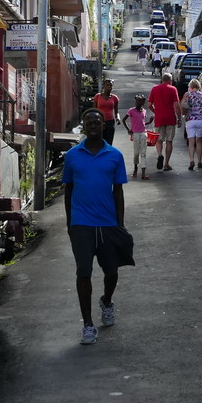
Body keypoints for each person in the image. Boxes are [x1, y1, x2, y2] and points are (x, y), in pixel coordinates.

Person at [63, 109, 131, 346]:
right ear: (84, 126)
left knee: (111, 271)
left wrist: (120, 224)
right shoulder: (72, 156)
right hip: (81, 224)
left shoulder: (115, 155)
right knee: (83, 272)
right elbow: (68, 189)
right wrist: (70, 222)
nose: (93, 126)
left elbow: (118, 190)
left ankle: (107, 301)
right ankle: (88, 325)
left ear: (104, 125)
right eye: (89, 122)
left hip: (108, 223)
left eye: (97, 122)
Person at [147, 72, 181, 172]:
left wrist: (155, 111)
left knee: (159, 140)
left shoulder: (155, 89)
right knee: (169, 141)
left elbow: (149, 104)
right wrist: (179, 118)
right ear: (170, 81)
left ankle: (160, 155)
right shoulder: (173, 89)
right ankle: (166, 164)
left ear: (162, 79)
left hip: (159, 118)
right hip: (170, 118)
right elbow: (177, 105)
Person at [124, 95, 153, 180]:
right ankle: (135, 168)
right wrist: (129, 130)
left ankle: (143, 173)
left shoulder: (144, 111)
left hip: (143, 133)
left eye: (139, 101)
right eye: (136, 101)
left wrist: (150, 122)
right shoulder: (131, 111)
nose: (137, 102)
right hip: (135, 134)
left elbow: (142, 123)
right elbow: (124, 120)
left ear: (142, 103)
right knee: (136, 153)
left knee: (143, 153)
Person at [182, 78, 202, 169]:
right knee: (199, 141)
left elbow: (183, 105)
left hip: (190, 119)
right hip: (200, 119)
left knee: (191, 142)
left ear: (191, 86)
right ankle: (199, 161)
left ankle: (191, 160)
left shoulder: (187, 94)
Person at [92, 79, 121, 146]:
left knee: (108, 143)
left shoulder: (114, 98)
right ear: (103, 86)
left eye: (110, 85)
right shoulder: (98, 96)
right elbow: (94, 110)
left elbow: (116, 112)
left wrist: (118, 118)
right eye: (107, 85)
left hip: (110, 123)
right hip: (99, 122)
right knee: (99, 142)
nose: (109, 87)